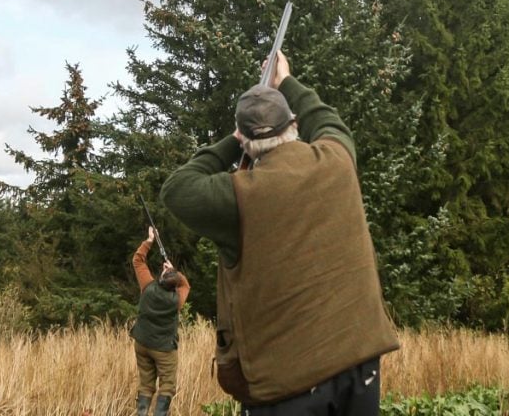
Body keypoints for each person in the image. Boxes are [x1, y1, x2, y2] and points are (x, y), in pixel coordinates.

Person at [160, 51, 400, 415]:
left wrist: (233, 139)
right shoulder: (336, 160)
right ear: (293, 123)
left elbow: (176, 190)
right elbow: (327, 119)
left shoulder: (238, 195)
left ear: (245, 140)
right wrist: (286, 80)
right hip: (359, 370)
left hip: (287, 389)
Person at [130, 226, 191, 416]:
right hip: (164, 348)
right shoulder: (177, 300)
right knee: (167, 386)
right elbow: (185, 284)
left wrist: (149, 240)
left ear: (161, 277)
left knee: (146, 384)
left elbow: (137, 260)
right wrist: (174, 272)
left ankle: (141, 414)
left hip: (142, 343)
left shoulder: (147, 286)